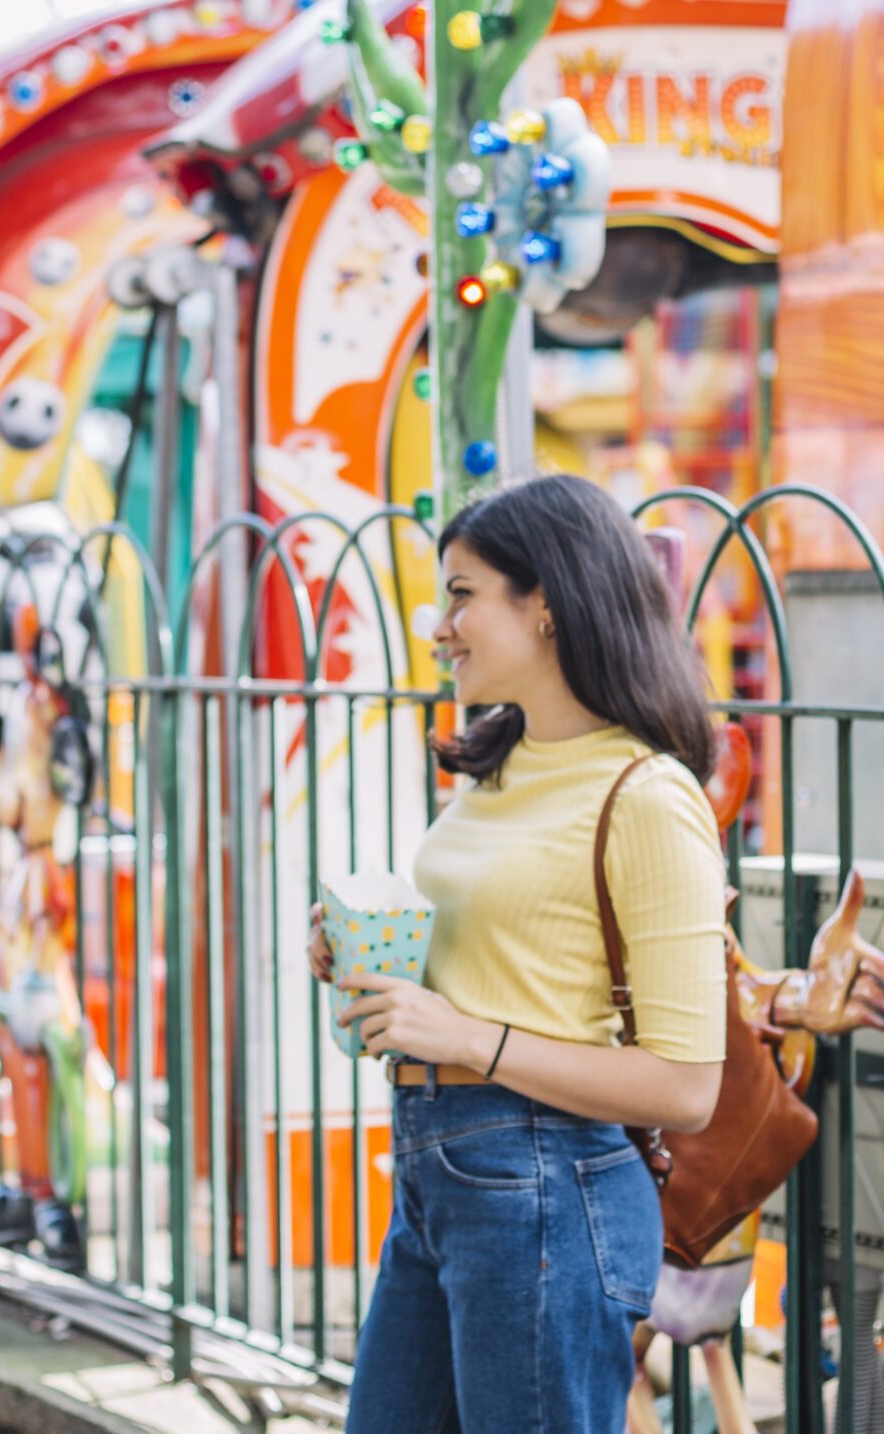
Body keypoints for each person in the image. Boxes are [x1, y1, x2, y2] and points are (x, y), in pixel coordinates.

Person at [309, 474, 728, 1433]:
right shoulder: (500, 765)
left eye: (462, 595)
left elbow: (686, 1086)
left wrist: (465, 1035)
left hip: (545, 1186)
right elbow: (508, 961)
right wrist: (369, 958)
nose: (438, 628)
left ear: (547, 604)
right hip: (438, 1171)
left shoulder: (648, 795)